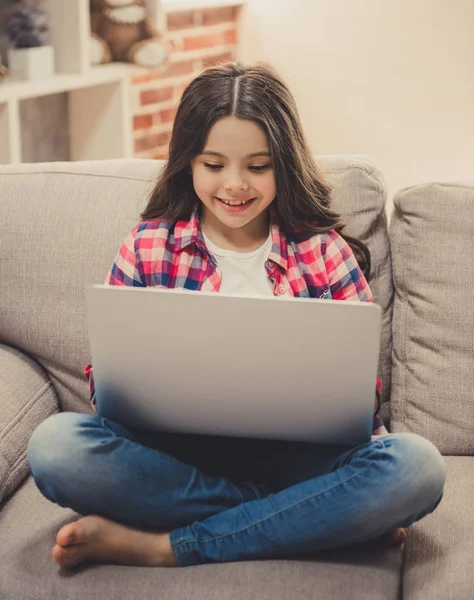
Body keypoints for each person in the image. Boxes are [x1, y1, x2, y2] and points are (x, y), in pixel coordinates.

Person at [27, 62, 446, 570]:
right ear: (187, 163)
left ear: (283, 165)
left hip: (303, 462)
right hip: (178, 460)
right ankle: (315, 520)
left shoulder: (324, 251)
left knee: (417, 467)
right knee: (55, 448)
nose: (235, 185)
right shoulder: (148, 247)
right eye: (213, 164)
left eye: (257, 165)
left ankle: (169, 546)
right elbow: (107, 383)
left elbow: (363, 399)